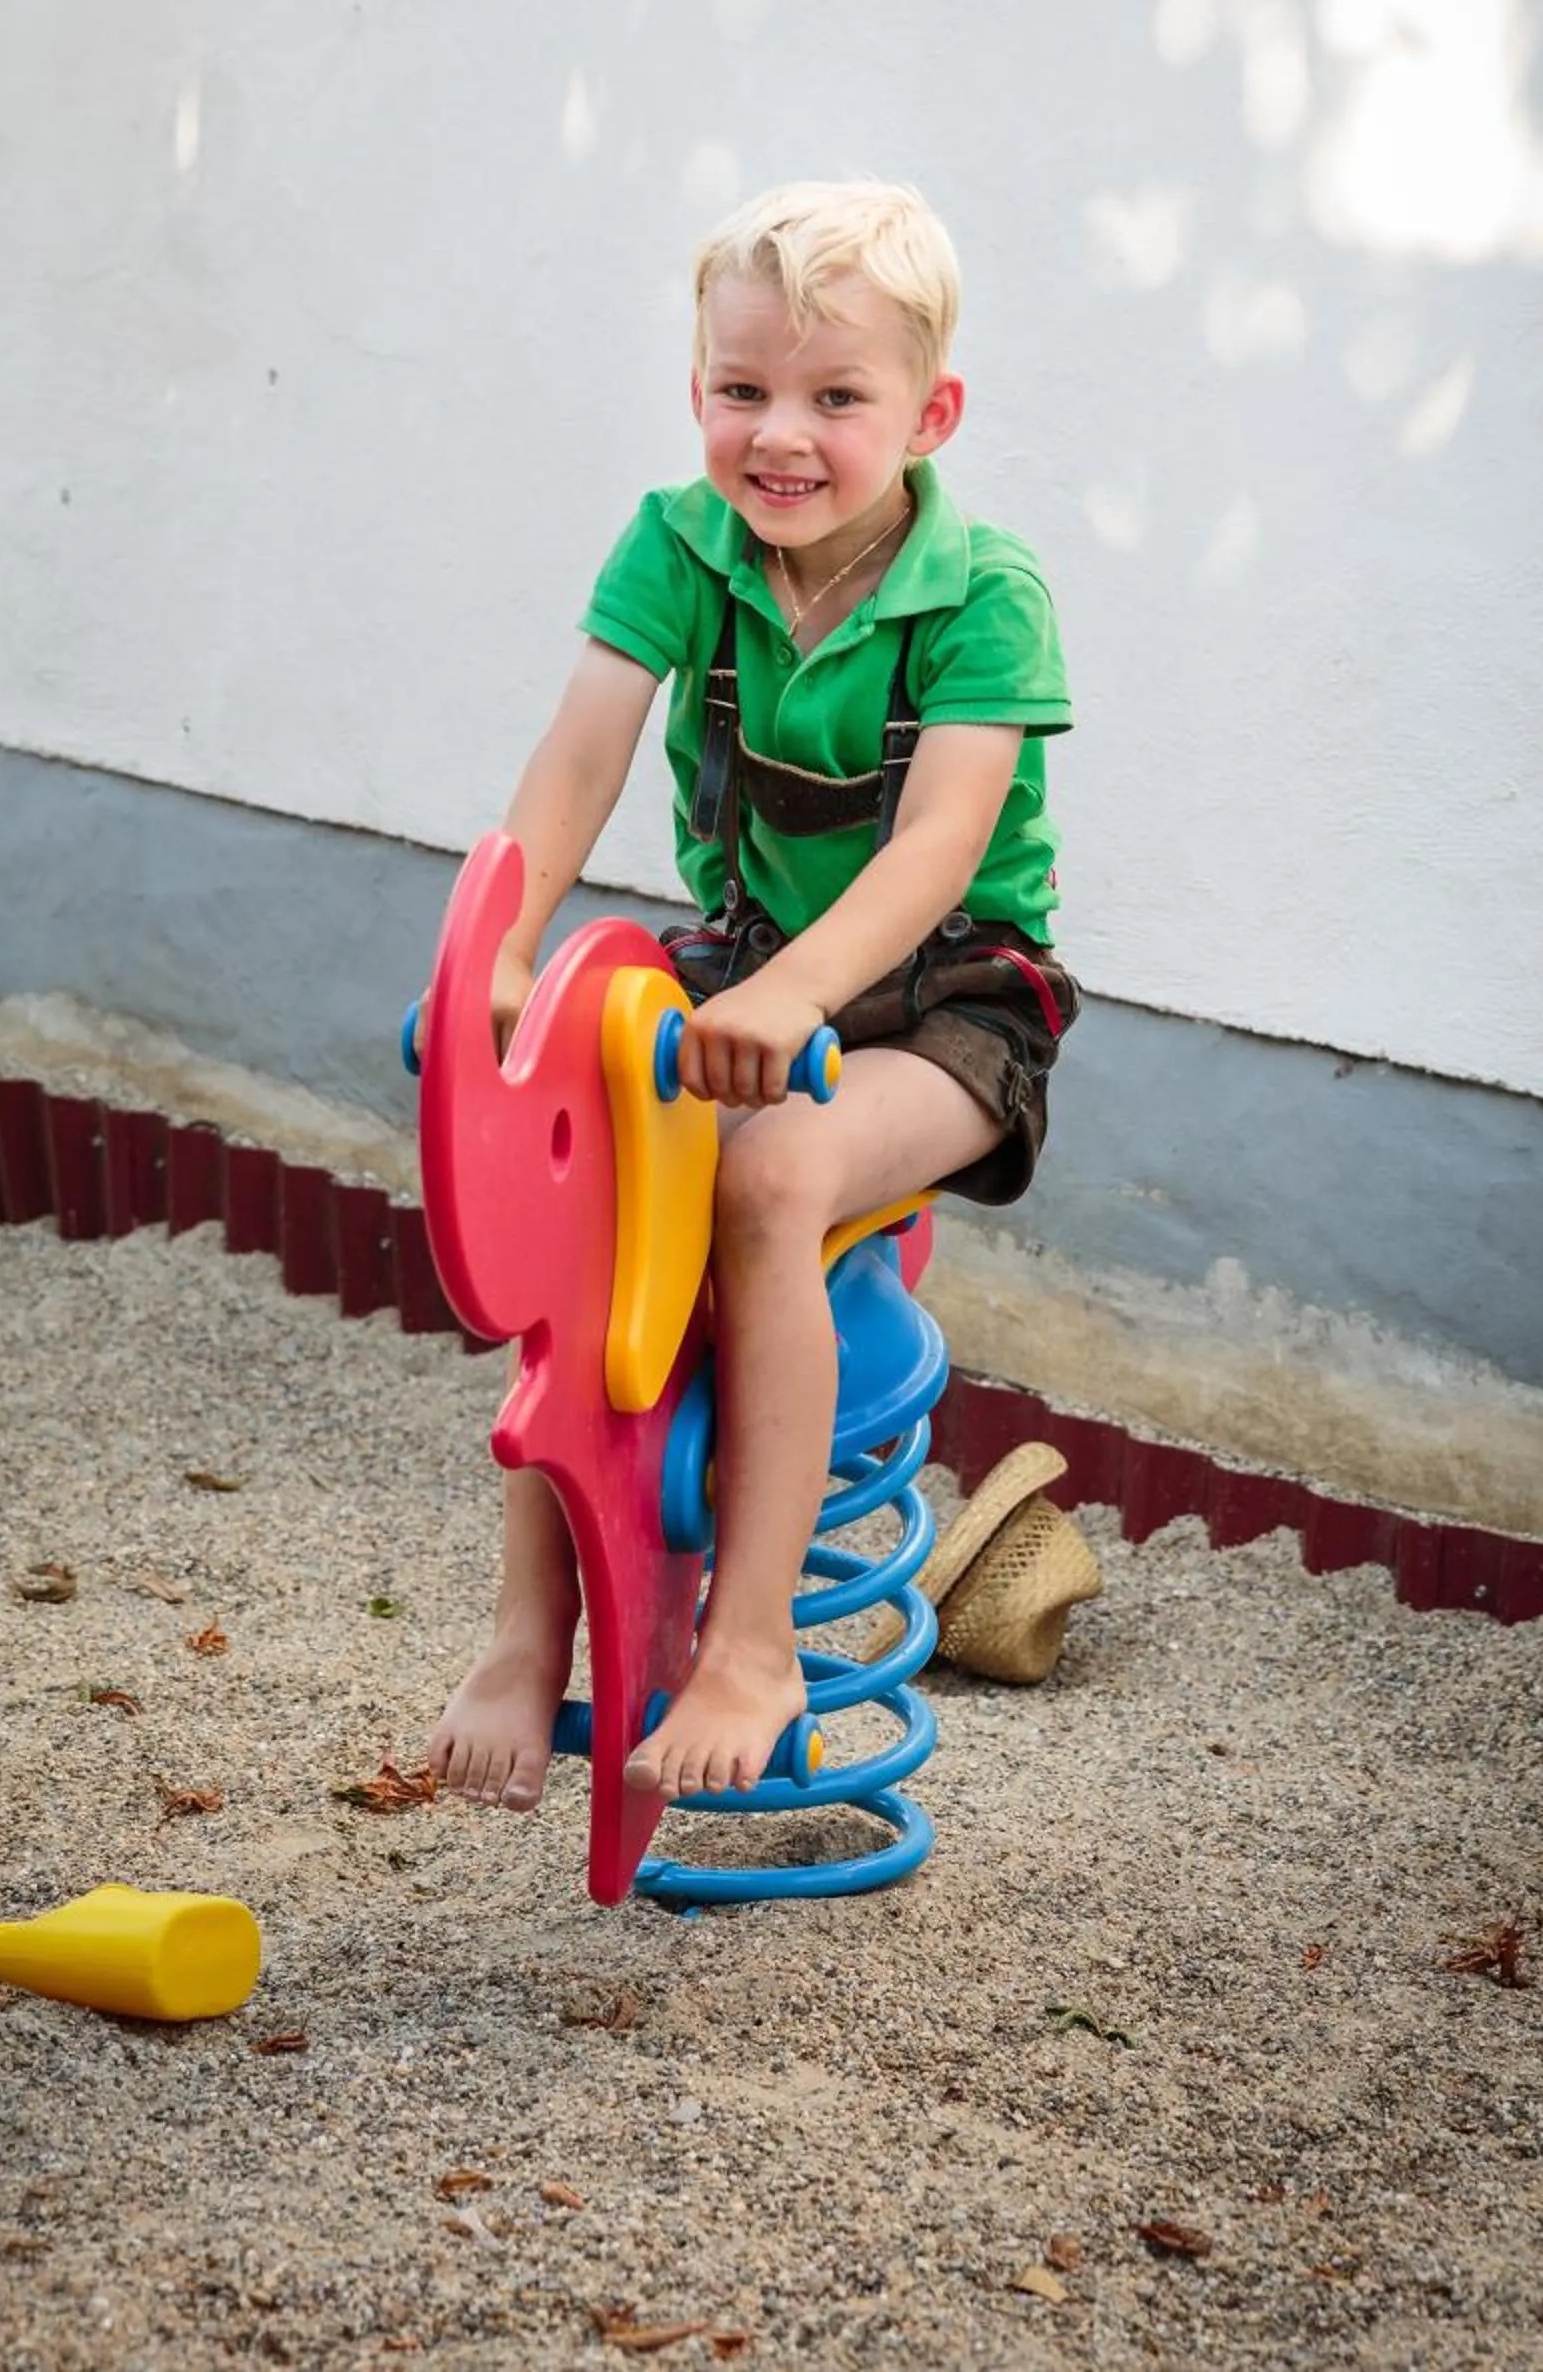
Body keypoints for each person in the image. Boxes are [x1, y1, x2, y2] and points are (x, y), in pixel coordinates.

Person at [423, 180, 1079, 1812]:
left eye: (835, 399)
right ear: (698, 389)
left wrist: (792, 999)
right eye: (743, 391)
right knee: (582, 1189)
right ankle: (527, 1633)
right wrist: (507, 958)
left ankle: (756, 1637)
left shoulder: (985, 593)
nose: (781, 437)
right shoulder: (680, 541)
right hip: (744, 962)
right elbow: (580, 754)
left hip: (949, 1003)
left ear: (928, 415)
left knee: (773, 1177)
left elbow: (939, 847)